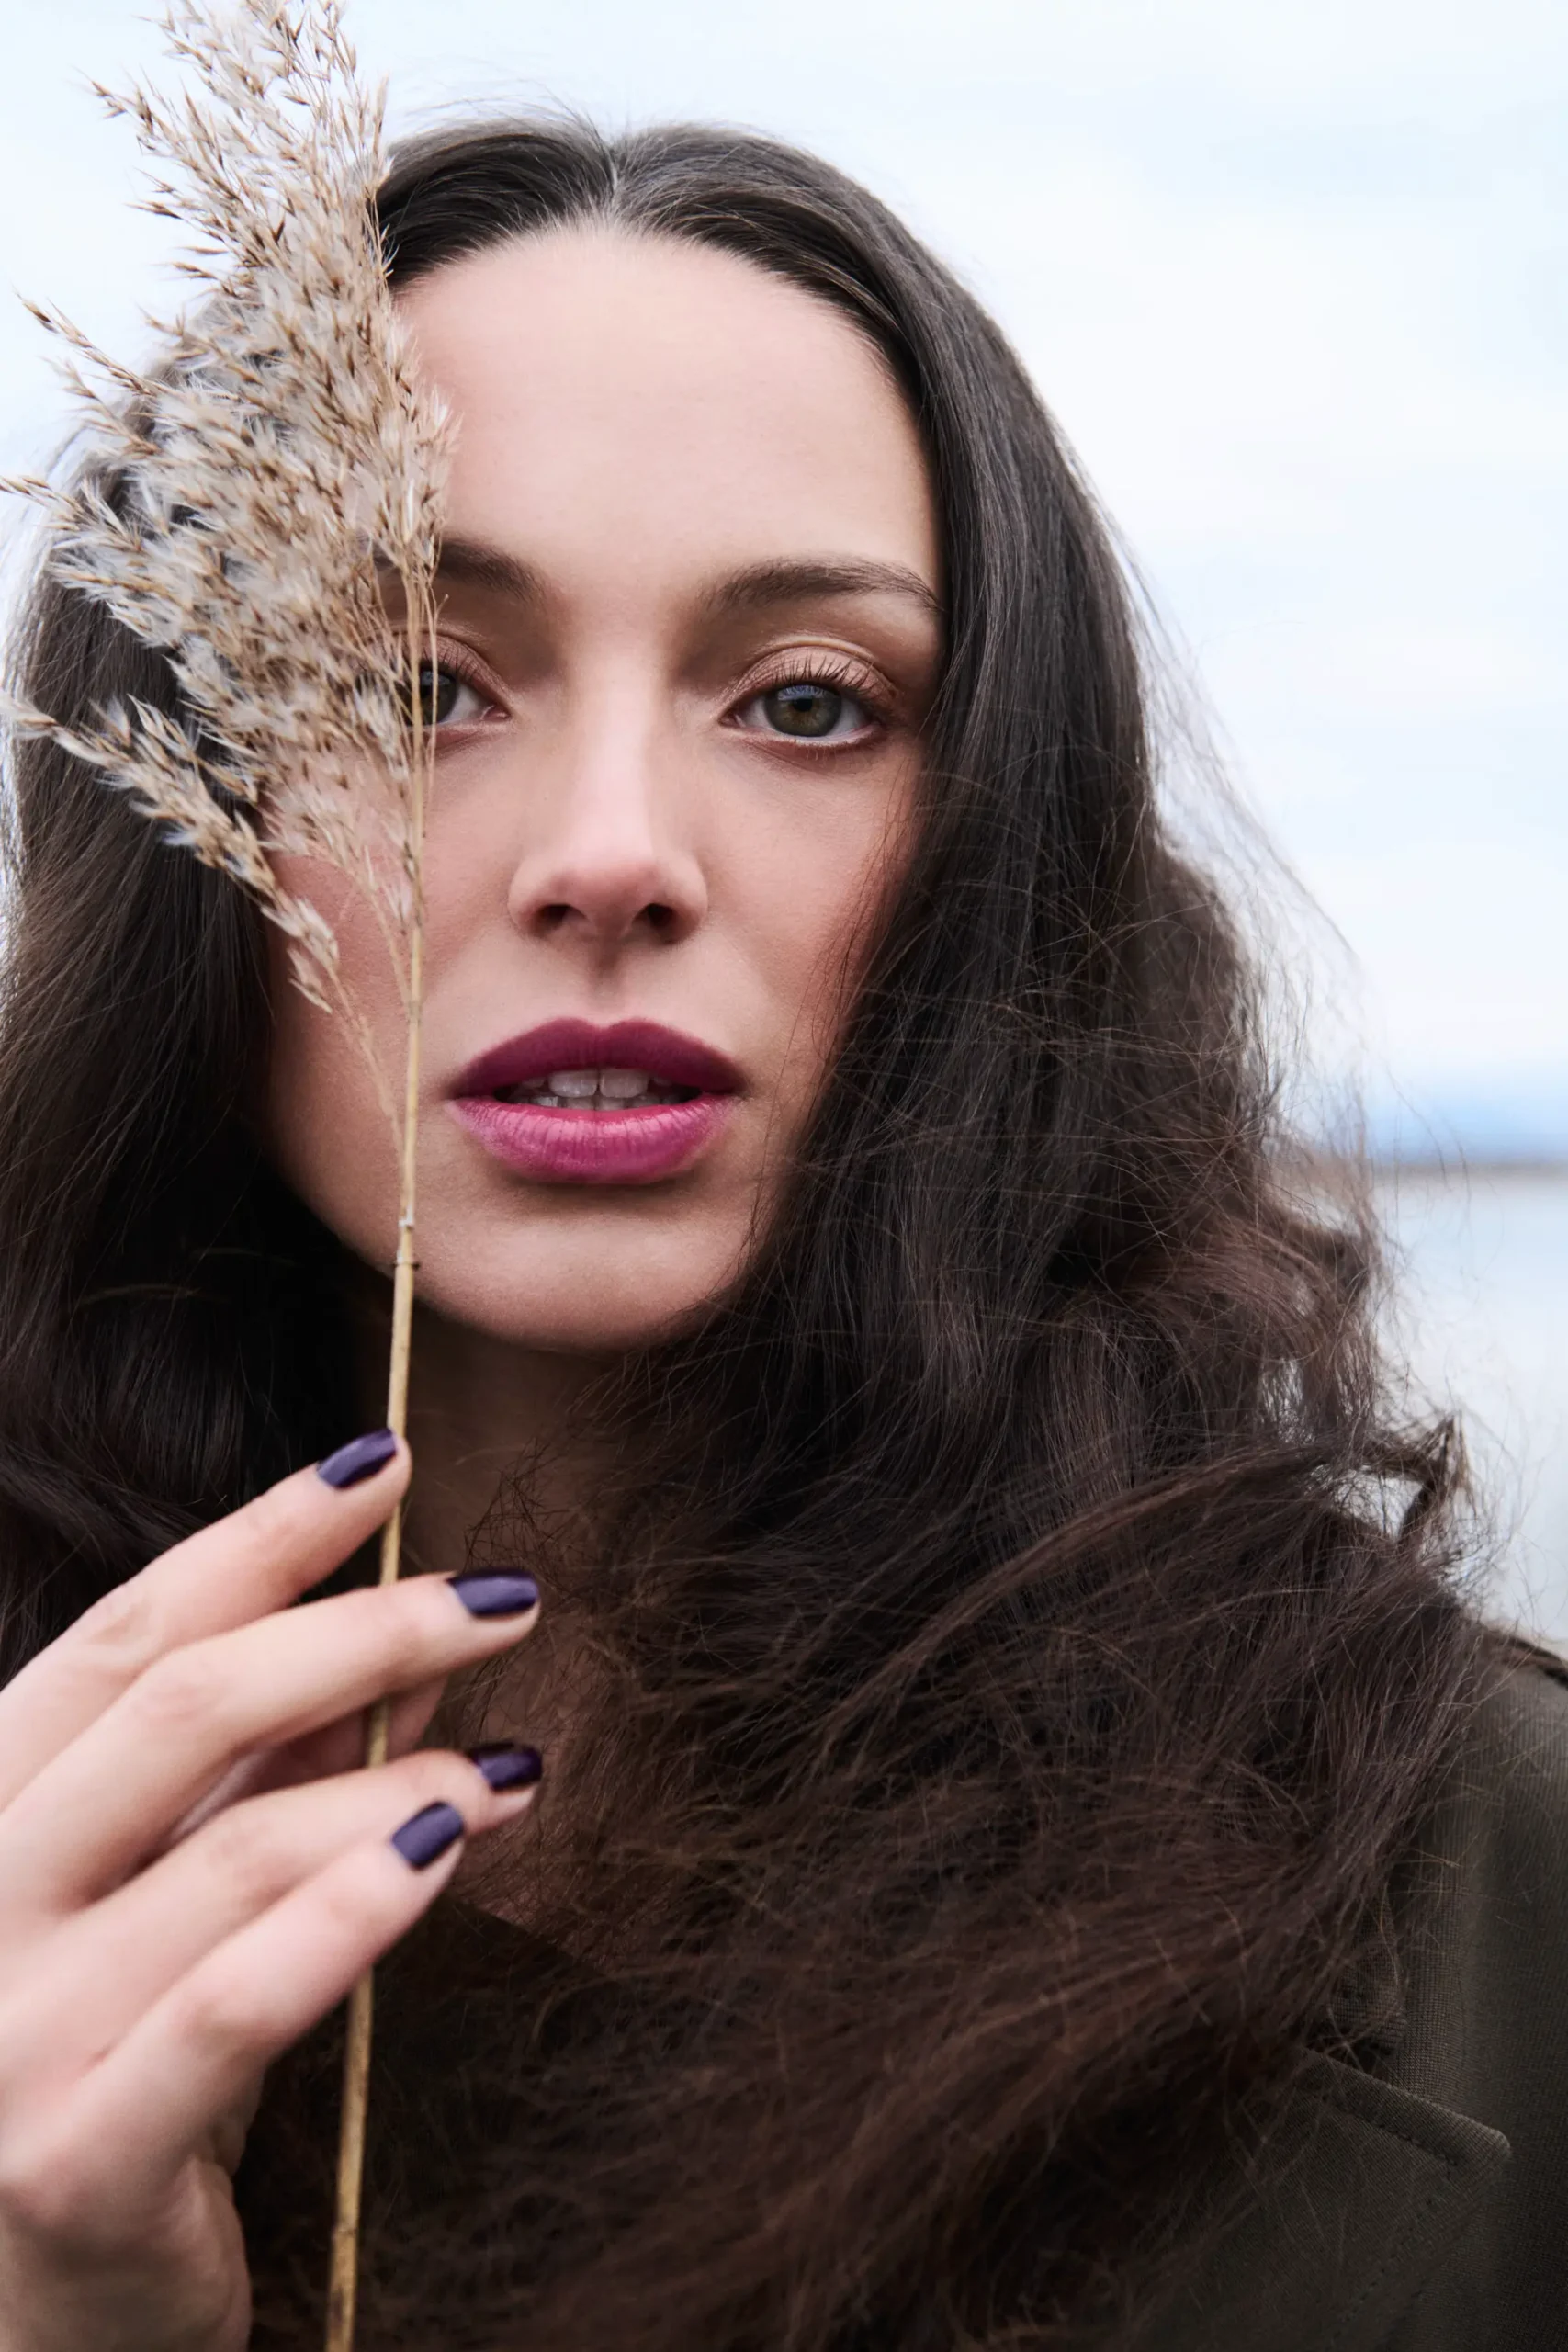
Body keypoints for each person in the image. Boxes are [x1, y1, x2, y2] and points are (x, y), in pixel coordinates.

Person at [0, 117, 1563, 2352]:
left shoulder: (1491, 1875)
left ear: (1002, 854)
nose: (610, 854)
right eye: (418, 687)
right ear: (175, 824)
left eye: (807, 702)